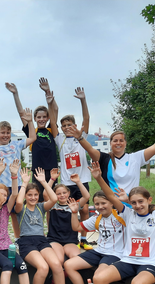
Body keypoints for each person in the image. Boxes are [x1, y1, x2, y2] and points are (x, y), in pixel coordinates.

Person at [66, 119, 155, 203]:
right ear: (110, 143)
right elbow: (89, 148)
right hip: (112, 206)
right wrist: (80, 137)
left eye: (121, 140)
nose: (118, 143)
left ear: (125, 143)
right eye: (115, 140)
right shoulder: (104, 159)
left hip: (133, 205)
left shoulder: (135, 158)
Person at [15, 168, 72, 284]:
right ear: (26, 195)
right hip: (26, 242)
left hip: (41, 240)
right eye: (30, 195)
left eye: (35, 195)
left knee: (57, 265)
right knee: (43, 267)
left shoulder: (41, 207)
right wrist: (24, 183)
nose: (33, 197)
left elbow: (53, 199)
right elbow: (19, 201)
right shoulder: (21, 209)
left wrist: (43, 182)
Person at [0, 108, 37, 239]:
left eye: (8, 133)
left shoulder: (16, 145)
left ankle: (18, 239)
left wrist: (30, 122)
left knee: (16, 213)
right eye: (2, 132)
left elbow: (33, 137)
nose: (5, 135)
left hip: (16, 185)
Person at [65, 190, 126, 284]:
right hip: (99, 251)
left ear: (112, 203)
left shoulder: (121, 216)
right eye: (97, 204)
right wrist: (74, 212)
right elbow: (76, 227)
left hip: (115, 254)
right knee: (68, 265)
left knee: (99, 275)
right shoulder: (97, 218)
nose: (100, 206)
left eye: (104, 203)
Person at [51, 87, 93, 250]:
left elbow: (86, 117)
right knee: (69, 211)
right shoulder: (59, 139)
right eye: (64, 126)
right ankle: (70, 238)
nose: (66, 127)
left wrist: (83, 100)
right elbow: (52, 122)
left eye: (69, 125)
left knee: (83, 210)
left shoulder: (81, 135)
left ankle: (83, 239)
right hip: (67, 182)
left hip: (82, 180)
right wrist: (50, 101)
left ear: (75, 126)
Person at [5, 78, 58, 202]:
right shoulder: (32, 132)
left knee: (51, 199)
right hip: (38, 171)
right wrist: (15, 94)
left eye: (44, 117)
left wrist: (48, 93)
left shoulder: (51, 129)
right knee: (38, 200)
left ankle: (50, 221)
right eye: (39, 117)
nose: (41, 119)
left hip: (52, 171)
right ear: (34, 118)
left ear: (47, 118)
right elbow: (21, 113)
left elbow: (55, 111)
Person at [45, 173, 90, 263]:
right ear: (54, 195)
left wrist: (78, 182)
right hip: (54, 240)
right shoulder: (52, 204)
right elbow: (45, 194)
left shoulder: (74, 205)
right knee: (59, 260)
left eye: (64, 193)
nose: (62, 195)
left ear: (69, 193)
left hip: (70, 241)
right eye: (58, 193)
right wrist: (52, 179)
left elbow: (86, 196)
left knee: (76, 259)